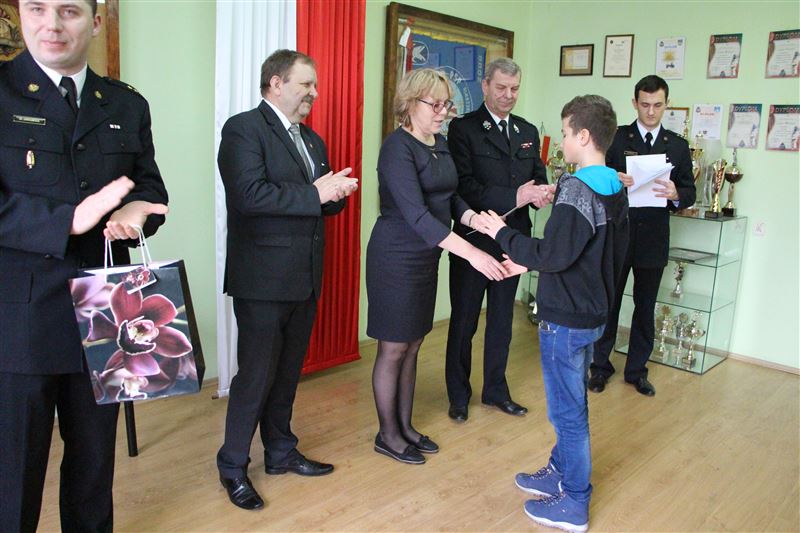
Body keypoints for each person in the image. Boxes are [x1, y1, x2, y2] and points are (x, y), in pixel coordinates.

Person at [0, 1, 170, 531]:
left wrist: (138, 213)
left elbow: (149, 185)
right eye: (38, 8)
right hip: (21, 316)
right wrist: (68, 221)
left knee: (94, 470)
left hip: (106, 315)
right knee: (13, 475)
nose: (51, 24)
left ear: (96, 22)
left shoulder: (125, 103)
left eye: (69, 10)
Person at [473, 95, 628, 532]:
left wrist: (500, 232)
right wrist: (529, 262)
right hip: (592, 312)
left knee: (566, 412)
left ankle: (575, 501)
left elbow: (557, 253)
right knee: (572, 401)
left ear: (584, 136)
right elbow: (584, 252)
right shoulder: (616, 186)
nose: (560, 142)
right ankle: (560, 471)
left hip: (566, 318)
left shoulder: (577, 187)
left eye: (564, 133)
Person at [216, 49, 358, 511]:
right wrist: (316, 193)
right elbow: (249, 195)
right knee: (255, 376)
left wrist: (336, 192)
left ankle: (279, 451)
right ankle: (232, 465)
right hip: (261, 281)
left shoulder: (311, 140)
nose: (314, 93)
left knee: (287, 374)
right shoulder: (243, 129)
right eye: (306, 84)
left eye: (315, 85)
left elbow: (317, 201)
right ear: (276, 83)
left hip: (304, 278)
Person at [365, 68, 508, 465]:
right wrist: (472, 252)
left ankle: (405, 427)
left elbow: (451, 196)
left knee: (413, 343)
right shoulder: (396, 148)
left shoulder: (439, 143)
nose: (444, 112)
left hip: (428, 256)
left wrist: (474, 218)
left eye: (447, 104)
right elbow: (417, 215)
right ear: (410, 103)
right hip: (396, 257)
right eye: (436, 104)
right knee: (393, 347)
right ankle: (387, 435)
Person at [445, 57, 552, 422]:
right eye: (502, 87)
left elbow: (536, 177)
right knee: (465, 322)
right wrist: (515, 196)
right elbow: (463, 187)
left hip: (513, 242)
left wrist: (540, 195)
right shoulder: (463, 129)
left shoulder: (526, 130)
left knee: (502, 322)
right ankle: (458, 395)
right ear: (485, 86)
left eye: (515, 89)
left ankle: (495, 390)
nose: (508, 95)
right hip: (474, 242)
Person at [589, 75, 695, 397]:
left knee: (645, 307)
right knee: (609, 303)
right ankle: (599, 367)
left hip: (653, 238)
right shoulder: (617, 138)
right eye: (645, 104)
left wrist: (677, 193)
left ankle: (637, 370)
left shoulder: (677, 145)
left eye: (657, 105)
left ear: (666, 104)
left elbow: (689, 191)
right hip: (618, 235)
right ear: (635, 103)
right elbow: (595, 179)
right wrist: (614, 179)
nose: (651, 111)